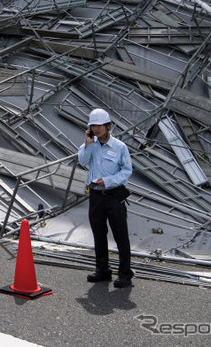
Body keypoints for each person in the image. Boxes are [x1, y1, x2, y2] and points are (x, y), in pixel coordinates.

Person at [77, 108, 134, 288]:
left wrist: (108, 181)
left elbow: (126, 171)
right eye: (93, 126)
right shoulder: (89, 144)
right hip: (95, 196)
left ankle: (125, 273)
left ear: (108, 126)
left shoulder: (119, 147)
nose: (96, 129)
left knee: (120, 236)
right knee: (99, 234)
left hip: (113, 196)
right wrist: (87, 144)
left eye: (99, 125)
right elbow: (82, 162)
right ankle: (102, 270)